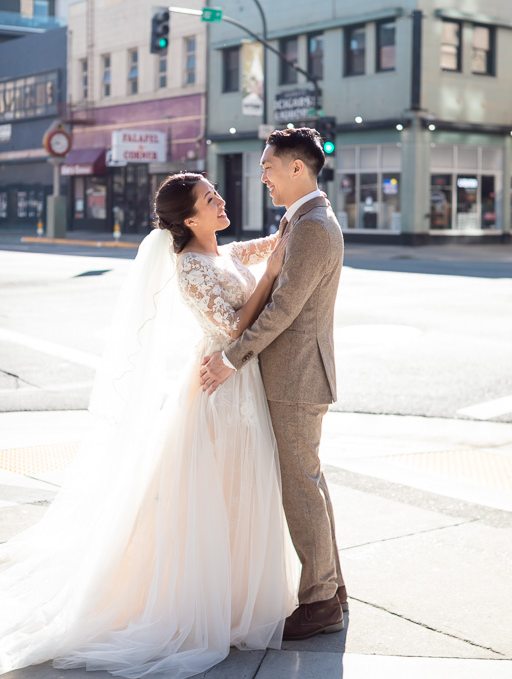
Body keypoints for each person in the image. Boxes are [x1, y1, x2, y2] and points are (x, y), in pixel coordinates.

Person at [0, 172, 299, 678]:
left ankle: (236, 595)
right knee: (214, 492)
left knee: (239, 489)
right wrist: (269, 275)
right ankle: (202, 602)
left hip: (239, 386)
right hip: (217, 389)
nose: (221, 200)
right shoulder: (190, 268)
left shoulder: (220, 252)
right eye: (210, 199)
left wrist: (298, 213)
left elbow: (263, 247)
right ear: (189, 220)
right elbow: (233, 329)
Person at [200, 127, 348, 640]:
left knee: (299, 488)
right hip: (297, 374)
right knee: (310, 483)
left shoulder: (311, 227)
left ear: (296, 168)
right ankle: (330, 586)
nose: (261, 174)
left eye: (268, 166)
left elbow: (283, 310)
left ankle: (321, 602)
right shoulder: (301, 219)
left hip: (297, 377)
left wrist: (230, 360)